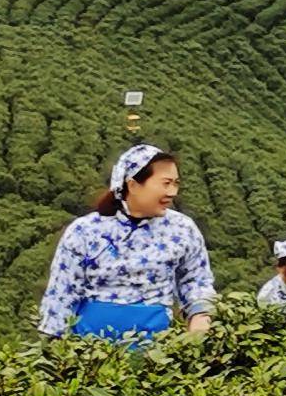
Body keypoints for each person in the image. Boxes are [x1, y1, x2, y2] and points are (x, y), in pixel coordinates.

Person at [36, 145, 218, 345]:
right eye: (165, 183)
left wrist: (200, 320)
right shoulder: (86, 231)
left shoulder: (182, 229)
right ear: (132, 185)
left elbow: (196, 281)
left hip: (156, 351)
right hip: (88, 353)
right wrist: (53, 347)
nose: (172, 192)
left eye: (175, 183)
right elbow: (62, 293)